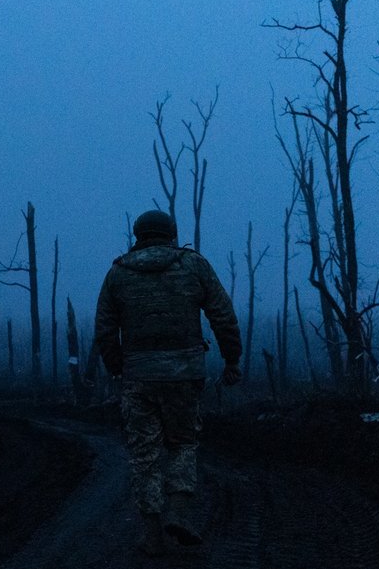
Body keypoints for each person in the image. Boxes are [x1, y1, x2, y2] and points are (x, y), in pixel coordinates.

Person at [94, 209, 242, 557]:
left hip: (139, 376)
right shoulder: (194, 265)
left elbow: (104, 329)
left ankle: (152, 535)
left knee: (144, 454)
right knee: (182, 444)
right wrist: (232, 360)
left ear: (138, 235)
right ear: (171, 233)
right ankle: (177, 510)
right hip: (184, 375)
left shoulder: (118, 274)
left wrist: (118, 366)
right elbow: (223, 314)